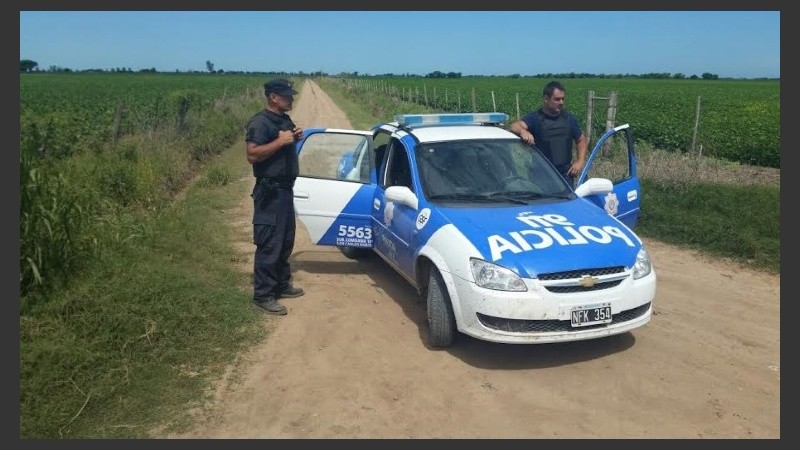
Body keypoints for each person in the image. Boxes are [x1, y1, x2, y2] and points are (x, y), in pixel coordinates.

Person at [245, 78, 305, 315]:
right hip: (270, 192)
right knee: (270, 242)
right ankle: (263, 295)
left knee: (285, 240)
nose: (291, 99)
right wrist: (280, 141)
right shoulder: (260, 122)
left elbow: (284, 143)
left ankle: (280, 285)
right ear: (273, 97)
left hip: (285, 190)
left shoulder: (283, 120)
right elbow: (252, 154)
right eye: (287, 95)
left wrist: (294, 137)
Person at [509, 80, 588, 187]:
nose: (561, 102)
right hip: (540, 176)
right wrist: (523, 131)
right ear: (546, 99)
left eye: (562, 99)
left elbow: (581, 140)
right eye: (557, 99)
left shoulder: (568, 119)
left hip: (564, 176)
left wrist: (580, 161)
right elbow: (514, 126)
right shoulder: (535, 118)